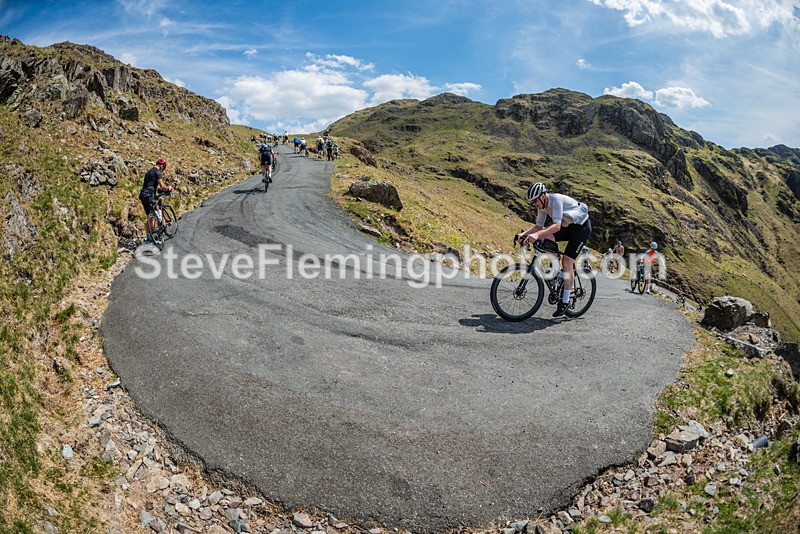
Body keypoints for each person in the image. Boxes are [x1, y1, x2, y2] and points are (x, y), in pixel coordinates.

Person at [515, 182, 591, 317]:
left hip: (581, 228)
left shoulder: (555, 200)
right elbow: (538, 226)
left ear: (543, 196)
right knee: (546, 237)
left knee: (567, 262)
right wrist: (524, 234)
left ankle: (565, 301)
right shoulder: (542, 206)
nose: (534, 204)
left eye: (535, 201)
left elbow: (556, 226)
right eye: (532, 202)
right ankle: (554, 272)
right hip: (567, 226)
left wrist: (537, 235)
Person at [139, 158, 172, 244]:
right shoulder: (158, 172)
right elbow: (162, 185)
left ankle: (148, 238)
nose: (162, 170)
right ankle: (152, 240)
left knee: (150, 216)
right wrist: (168, 188)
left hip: (143, 195)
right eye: (163, 169)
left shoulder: (148, 172)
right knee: (153, 217)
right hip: (150, 195)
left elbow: (153, 186)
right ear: (161, 166)